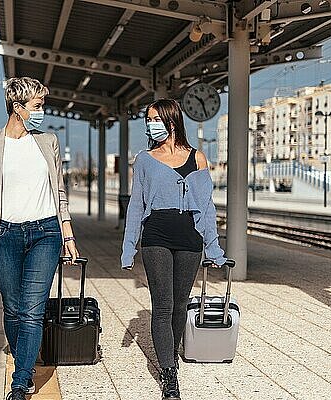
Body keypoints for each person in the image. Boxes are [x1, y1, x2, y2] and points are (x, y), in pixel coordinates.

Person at [0, 77, 80, 400]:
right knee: (13, 307)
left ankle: (20, 383)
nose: (42, 111)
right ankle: (24, 359)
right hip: (4, 235)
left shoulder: (48, 142)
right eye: (37, 105)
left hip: (46, 232)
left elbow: (60, 192)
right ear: (18, 108)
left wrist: (68, 234)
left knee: (32, 310)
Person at [121, 99, 227, 400]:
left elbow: (206, 208)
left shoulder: (198, 159)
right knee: (163, 305)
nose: (149, 124)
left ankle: (171, 357)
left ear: (171, 121)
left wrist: (214, 249)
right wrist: (129, 248)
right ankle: (169, 374)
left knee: (181, 305)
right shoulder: (143, 159)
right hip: (156, 235)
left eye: (154, 118)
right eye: (147, 119)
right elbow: (136, 206)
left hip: (189, 239)